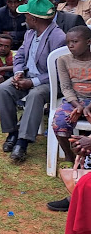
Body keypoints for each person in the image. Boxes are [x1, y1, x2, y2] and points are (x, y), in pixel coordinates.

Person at [0, 0, 66, 163]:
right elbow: (20, 55)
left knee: (36, 94)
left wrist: (32, 82)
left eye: (26, 14)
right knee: (3, 89)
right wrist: (18, 73)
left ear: (34, 18)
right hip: (28, 76)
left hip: (50, 83)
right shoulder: (30, 33)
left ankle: (23, 141)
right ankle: (12, 132)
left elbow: (58, 72)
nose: (24, 17)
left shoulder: (58, 37)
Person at [51, 26, 91, 162]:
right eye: (68, 42)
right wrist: (78, 105)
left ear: (88, 42)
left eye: (75, 42)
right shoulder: (63, 60)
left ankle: (87, 157)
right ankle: (69, 156)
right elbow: (66, 87)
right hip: (73, 100)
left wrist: (88, 107)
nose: (70, 45)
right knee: (59, 121)